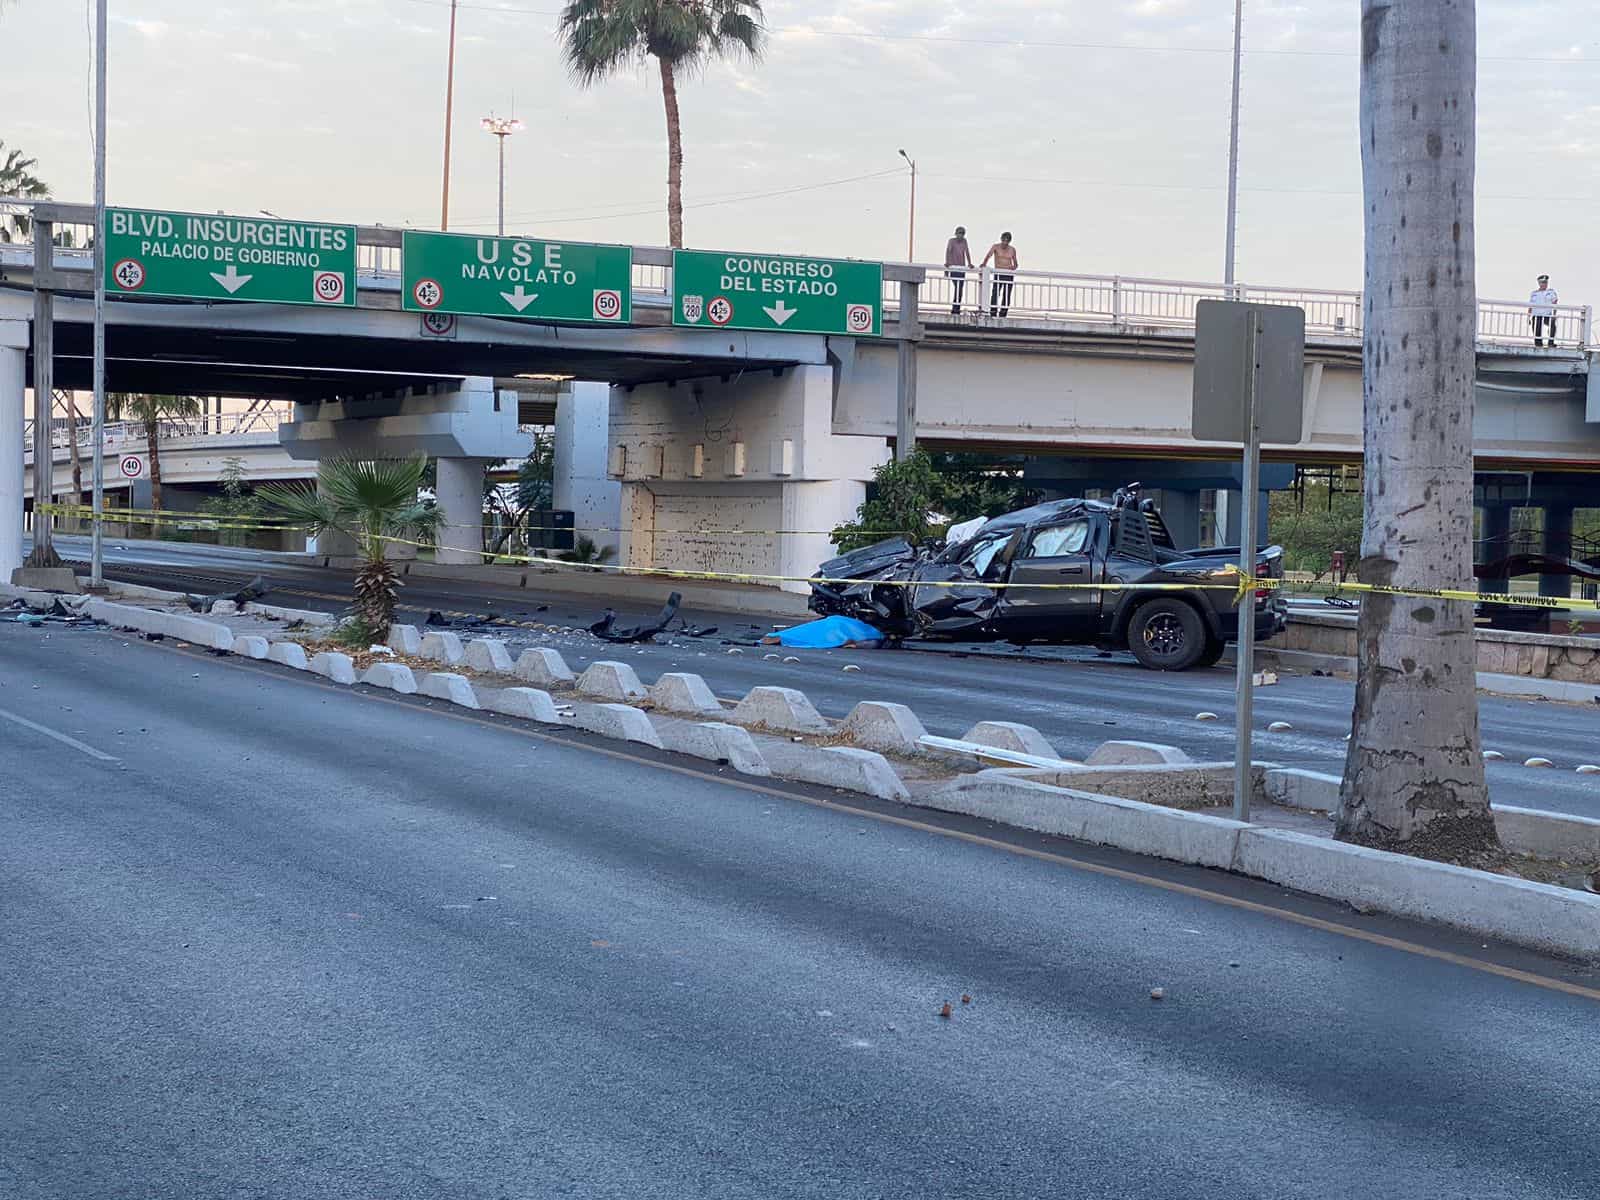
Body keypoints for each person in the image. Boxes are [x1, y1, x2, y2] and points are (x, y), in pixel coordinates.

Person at [982, 232, 1018, 317]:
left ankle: (1003, 313)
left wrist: (1013, 267)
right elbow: (988, 255)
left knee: (1007, 294)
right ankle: (993, 312)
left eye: (1007, 240)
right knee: (995, 293)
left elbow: (1016, 264)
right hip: (998, 273)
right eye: (1004, 240)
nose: (1005, 242)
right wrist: (984, 264)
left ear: (1009, 241)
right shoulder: (996, 247)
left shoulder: (1012, 249)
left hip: (1008, 274)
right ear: (1001, 239)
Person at [944, 226, 974, 314]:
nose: (960, 235)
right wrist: (947, 266)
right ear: (956, 233)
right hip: (954, 267)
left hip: (961, 268)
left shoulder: (964, 241)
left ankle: (956, 309)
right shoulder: (951, 241)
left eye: (962, 233)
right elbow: (948, 252)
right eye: (959, 233)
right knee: (957, 287)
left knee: (960, 289)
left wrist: (969, 263)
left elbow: (967, 252)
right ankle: (955, 309)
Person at [1529, 274, 1559, 347]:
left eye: (1545, 282)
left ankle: (1551, 343)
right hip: (1536, 315)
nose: (1544, 284)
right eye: (1542, 282)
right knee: (1537, 329)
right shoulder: (1534, 293)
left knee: (1552, 326)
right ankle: (1538, 344)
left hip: (1547, 314)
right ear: (1539, 283)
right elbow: (1530, 305)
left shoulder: (1551, 292)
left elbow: (1555, 303)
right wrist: (1528, 316)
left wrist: (1554, 314)